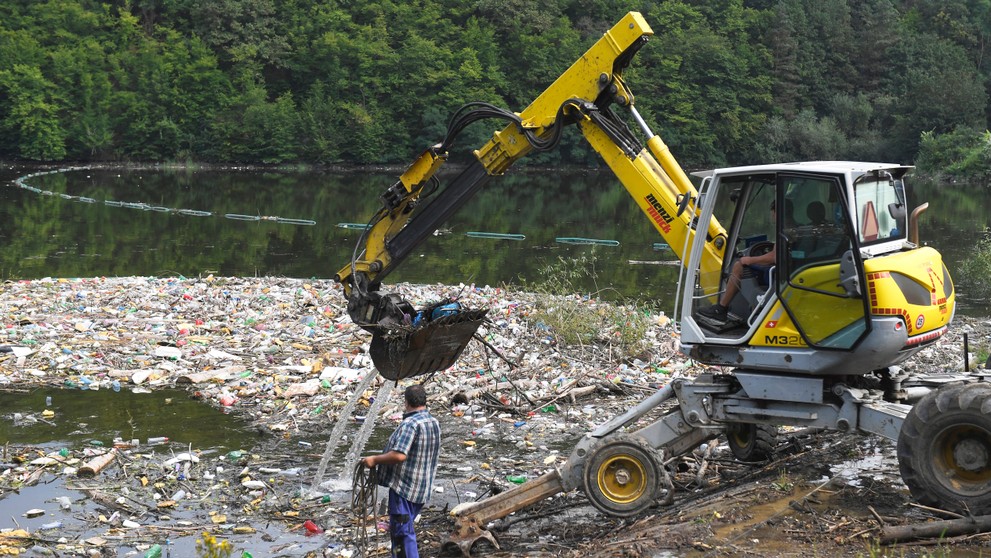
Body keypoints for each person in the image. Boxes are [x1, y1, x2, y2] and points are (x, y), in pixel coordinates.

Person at [359, 384, 441, 558]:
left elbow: (399, 455)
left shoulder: (410, 424)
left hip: (405, 489)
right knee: (400, 530)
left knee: (402, 533)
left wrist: (373, 460)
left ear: (406, 402)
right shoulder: (433, 422)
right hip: (422, 488)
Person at [698, 201, 780, 323]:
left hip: (779, 272)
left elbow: (774, 258)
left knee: (739, 265)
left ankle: (721, 309)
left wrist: (750, 259)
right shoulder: (795, 230)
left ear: (776, 212)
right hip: (786, 269)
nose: (772, 217)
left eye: (773, 213)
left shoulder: (784, 231)